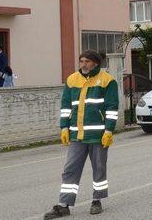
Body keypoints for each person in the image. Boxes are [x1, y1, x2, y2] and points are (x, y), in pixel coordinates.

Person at [44, 50, 119, 219]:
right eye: (81, 61)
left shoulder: (108, 81)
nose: (83, 64)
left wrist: (109, 130)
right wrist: (64, 127)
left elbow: (112, 108)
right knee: (70, 168)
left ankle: (97, 200)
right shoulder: (72, 80)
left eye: (86, 61)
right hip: (77, 135)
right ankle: (64, 205)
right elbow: (65, 106)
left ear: (95, 63)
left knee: (99, 168)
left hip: (98, 135)